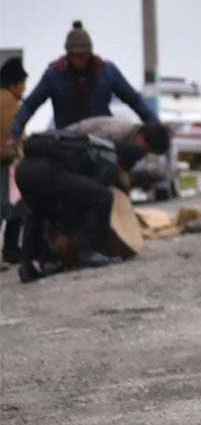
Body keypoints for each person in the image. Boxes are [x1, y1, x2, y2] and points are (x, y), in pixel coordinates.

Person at [13, 127, 160, 283]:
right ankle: (90, 253)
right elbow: (81, 200)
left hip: (24, 171)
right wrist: (65, 231)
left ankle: (27, 267)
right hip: (49, 174)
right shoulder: (110, 160)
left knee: (36, 213)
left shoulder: (95, 145)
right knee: (103, 196)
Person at [7, 21, 159, 152]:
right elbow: (30, 105)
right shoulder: (54, 75)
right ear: (68, 55)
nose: (80, 59)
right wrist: (15, 135)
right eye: (76, 55)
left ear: (90, 53)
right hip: (68, 142)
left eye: (84, 55)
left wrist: (155, 126)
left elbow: (134, 99)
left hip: (101, 141)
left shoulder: (107, 72)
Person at [1, 56, 28, 264]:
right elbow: (14, 134)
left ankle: (10, 249)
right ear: (14, 84)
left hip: (5, 162)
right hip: (3, 162)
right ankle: (10, 249)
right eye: (23, 84)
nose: (25, 89)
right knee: (9, 206)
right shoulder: (9, 101)